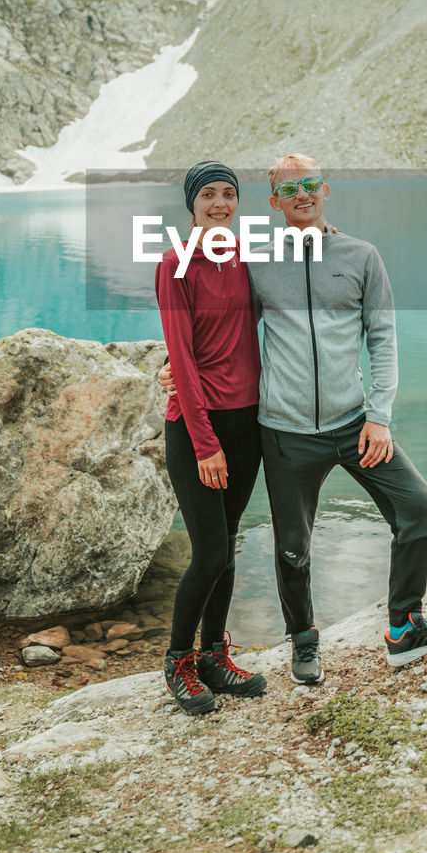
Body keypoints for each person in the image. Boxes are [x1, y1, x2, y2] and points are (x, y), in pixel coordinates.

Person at [161, 153, 427, 684]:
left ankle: (404, 627)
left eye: (310, 185)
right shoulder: (254, 262)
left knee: (418, 508)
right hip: (284, 430)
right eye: (289, 188)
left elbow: (384, 339)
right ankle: (303, 641)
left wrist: (381, 415)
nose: (301, 194)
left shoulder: (362, 255)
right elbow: (212, 324)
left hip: (356, 425)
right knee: (291, 546)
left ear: (325, 190)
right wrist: (169, 365)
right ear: (275, 201)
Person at [154, 160, 268, 715]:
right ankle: (178, 660)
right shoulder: (175, 264)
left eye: (229, 194)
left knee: (229, 544)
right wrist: (204, 443)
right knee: (211, 551)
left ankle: (213, 654)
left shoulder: (247, 258)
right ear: (192, 204)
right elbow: (181, 355)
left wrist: (324, 235)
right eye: (209, 196)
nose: (220, 204)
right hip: (198, 427)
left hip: (249, 424)